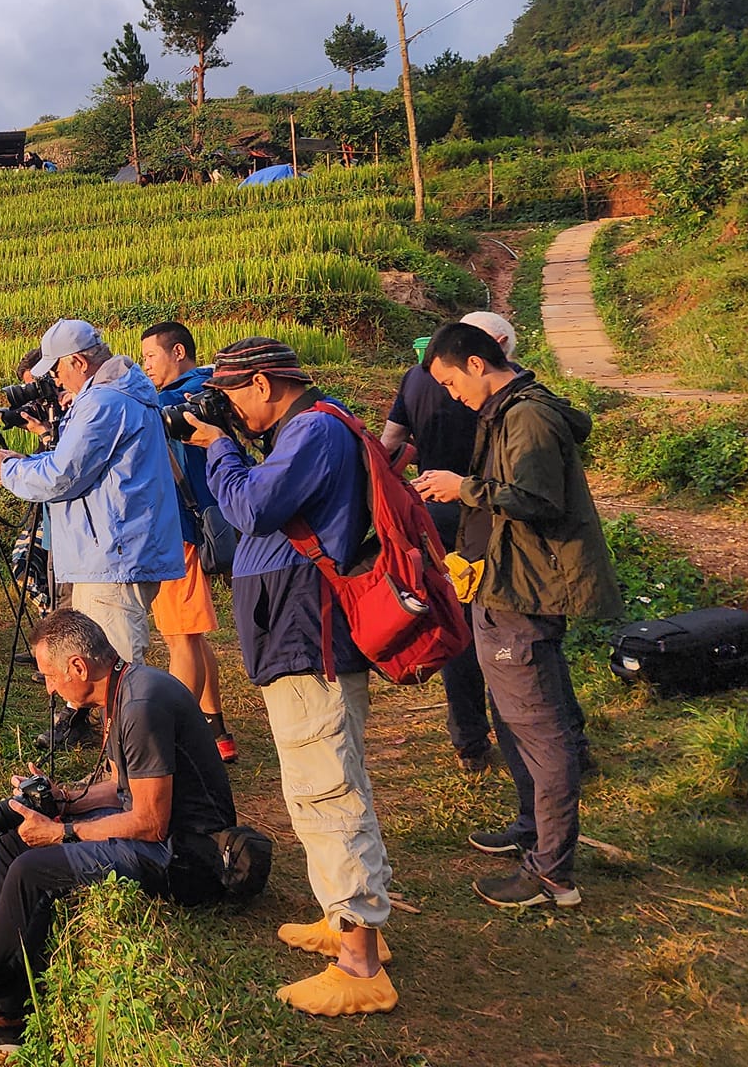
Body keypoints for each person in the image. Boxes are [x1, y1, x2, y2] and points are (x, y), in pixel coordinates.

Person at [0, 609, 236, 1060]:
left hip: (190, 856)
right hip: (161, 832)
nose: (50, 688)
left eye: (49, 676)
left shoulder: (141, 706)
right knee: (10, 843)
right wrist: (66, 797)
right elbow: (124, 787)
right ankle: (7, 1009)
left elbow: (151, 821)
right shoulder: (126, 687)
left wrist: (62, 832)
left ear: (78, 668)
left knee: (34, 868)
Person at [185, 337, 398, 1017]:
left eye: (236, 394)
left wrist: (217, 447)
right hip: (296, 631)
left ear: (268, 383)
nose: (233, 408)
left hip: (310, 635)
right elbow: (266, 503)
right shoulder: (305, 429)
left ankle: (361, 964)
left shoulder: (312, 430)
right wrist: (230, 443)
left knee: (327, 788)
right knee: (318, 783)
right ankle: (346, 921)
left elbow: (247, 510)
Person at [415, 321, 623, 911]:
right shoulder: (505, 411)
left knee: (541, 730)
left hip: (525, 592)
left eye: (452, 382)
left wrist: (465, 488)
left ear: (478, 364)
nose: (452, 395)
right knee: (514, 717)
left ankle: (552, 873)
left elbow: (536, 498)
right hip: (502, 584)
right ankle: (532, 830)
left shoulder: (527, 416)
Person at [0, 319, 184, 666]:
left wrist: (10, 470)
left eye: (57, 369)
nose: (56, 380)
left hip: (111, 555)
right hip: (116, 550)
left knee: (113, 667)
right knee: (102, 663)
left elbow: (63, 475)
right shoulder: (121, 393)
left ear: (78, 362)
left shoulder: (102, 401)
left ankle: (123, 721)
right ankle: (110, 719)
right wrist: (29, 461)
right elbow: (81, 462)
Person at [382, 311, 512, 774]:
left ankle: (470, 741)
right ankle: (517, 728)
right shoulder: (503, 399)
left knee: (457, 621)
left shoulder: (415, 378)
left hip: (432, 512)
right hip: (486, 513)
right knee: (501, 623)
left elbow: (391, 442)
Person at [138, 321, 238, 765]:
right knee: (192, 636)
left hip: (178, 529)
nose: (145, 367)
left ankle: (181, 743)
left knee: (179, 639)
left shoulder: (170, 401)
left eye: (149, 358)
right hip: (207, 520)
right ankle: (215, 729)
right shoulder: (213, 389)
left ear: (177, 351)